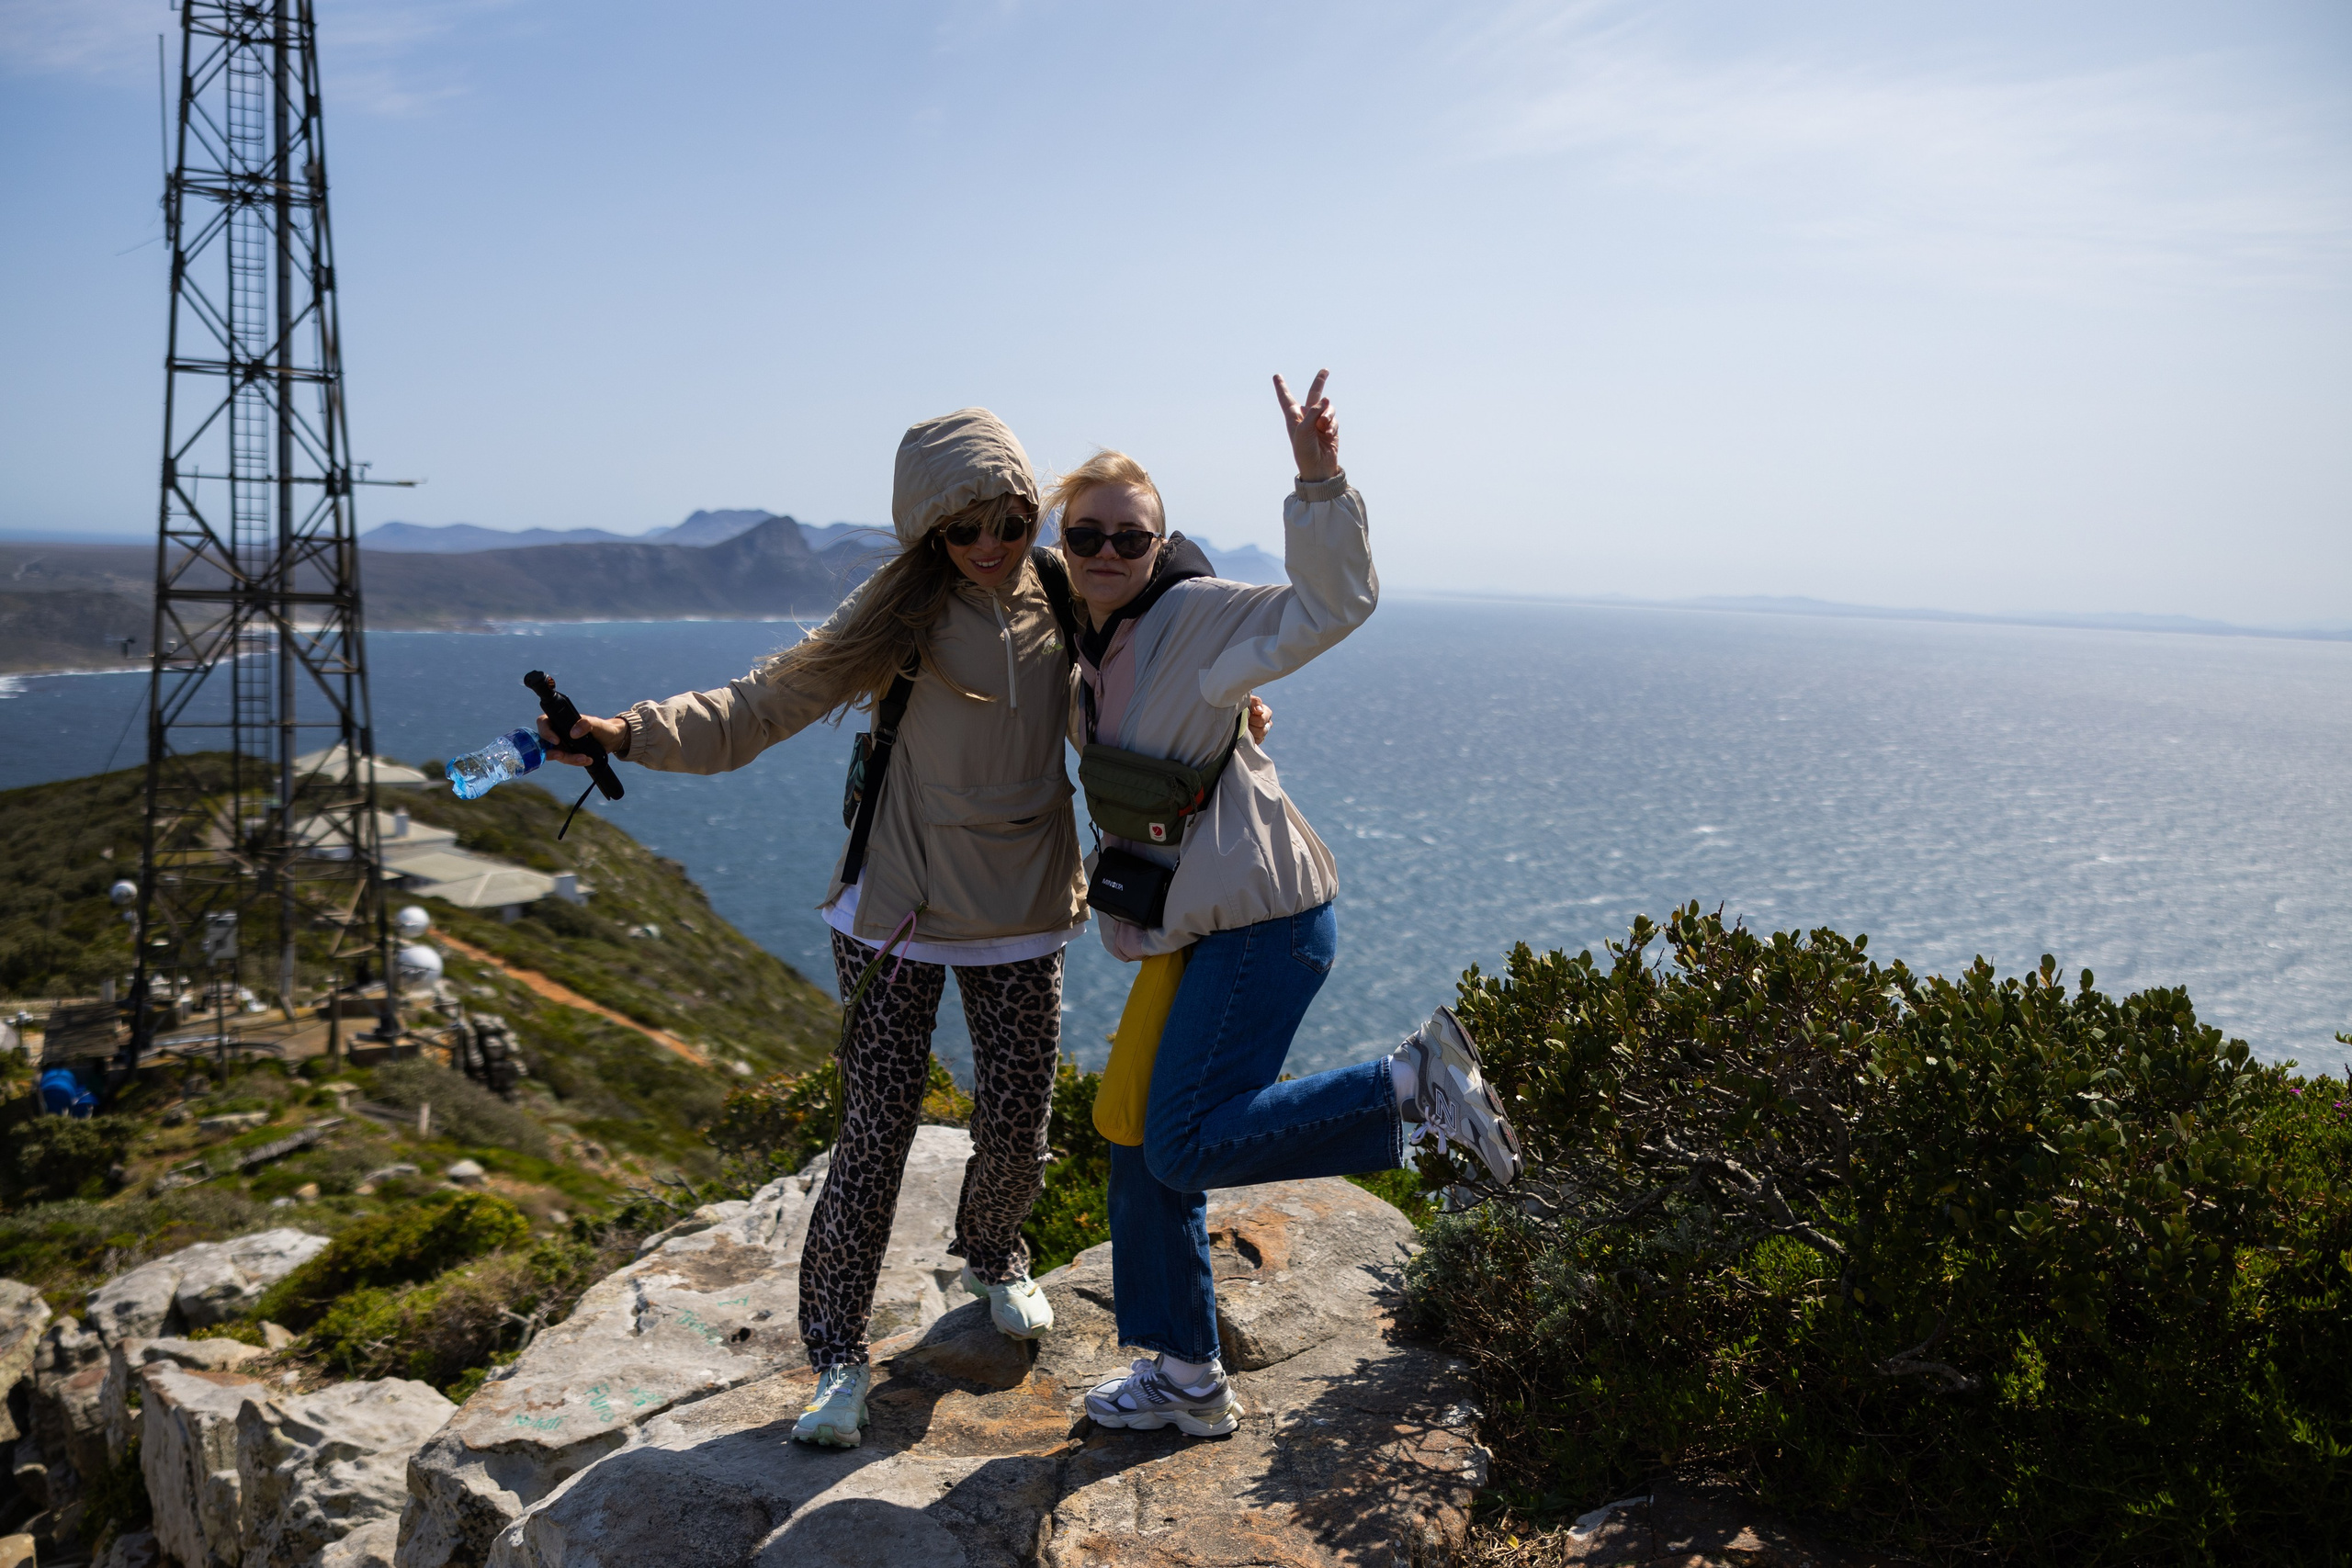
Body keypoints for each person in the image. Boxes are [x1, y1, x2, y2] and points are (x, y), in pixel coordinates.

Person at [540, 409, 1087, 1450]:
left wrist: (1233, 716)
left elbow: (1154, 680)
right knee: (875, 1136)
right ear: (926, 532)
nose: (989, 545)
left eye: (1009, 521)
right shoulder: (898, 615)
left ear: (1031, 512)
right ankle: (837, 1356)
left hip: (1020, 907)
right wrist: (620, 733)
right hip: (898, 909)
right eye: (961, 527)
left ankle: (994, 1255)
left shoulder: (1068, 591)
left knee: (1019, 1121)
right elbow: (760, 705)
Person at [1059, 371, 1524, 1439]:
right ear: (1064, 539)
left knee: (1179, 1146)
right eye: (1087, 535)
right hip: (1192, 929)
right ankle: (1183, 1374)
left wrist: (1318, 483)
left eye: (1132, 539)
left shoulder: (1191, 618)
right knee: (1135, 1139)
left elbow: (1331, 605)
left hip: (1261, 925)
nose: (1107, 555)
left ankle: (1408, 1085)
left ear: (1160, 545)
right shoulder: (1077, 642)